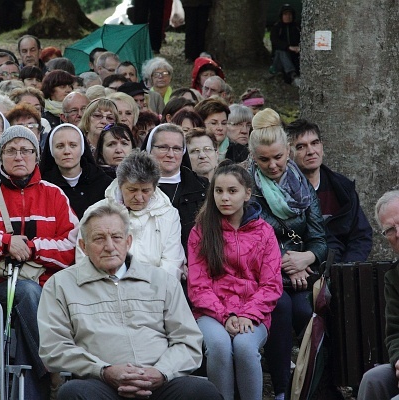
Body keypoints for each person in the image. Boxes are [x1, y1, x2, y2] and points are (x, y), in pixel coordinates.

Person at [38, 203, 222, 400]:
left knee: (203, 392)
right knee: (73, 393)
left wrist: (161, 372)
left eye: (116, 237)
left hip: (160, 383)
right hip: (100, 384)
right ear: (83, 246)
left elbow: (187, 341)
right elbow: (54, 348)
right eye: (99, 239)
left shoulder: (162, 281)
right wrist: (104, 370)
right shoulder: (61, 284)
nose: (109, 247)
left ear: (128, 242)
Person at [0, 125, 78, 400]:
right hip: (0, 287)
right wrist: (3, 243)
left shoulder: (55, 195)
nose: (19, 156)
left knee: (27, 310)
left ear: (36, 156)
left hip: (51, 288)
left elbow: (72, 247)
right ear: (1, 156)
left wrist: (33, 248)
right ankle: (54, 368)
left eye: (26, 150)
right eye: (11, 151)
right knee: (25, 293)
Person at [248, 108, 327, 400]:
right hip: (264, 273)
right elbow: (250, 239)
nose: (273, 165)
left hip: (303, 272)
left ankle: (314, 386)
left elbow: (319, 238)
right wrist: (287, 265)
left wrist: (306, 259)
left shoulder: (303, 186)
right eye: (264, 159)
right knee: (279, 308)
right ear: (253, 157)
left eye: (278, 157)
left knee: (308, 311)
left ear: (287, 151)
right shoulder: (247, 187)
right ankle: (281, 389)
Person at [188, 161, 282, 400]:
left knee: (244, 347)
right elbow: (198, 286)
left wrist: (246, 315)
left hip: (253, 313)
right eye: (218, 191)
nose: (224, 198)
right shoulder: (201, 230)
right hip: (211, 313)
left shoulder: (264, 232)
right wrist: (225, 316)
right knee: (218, 346)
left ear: (247, 193)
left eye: (232, 191)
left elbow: (271, 285)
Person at [79, 150, 185, 280]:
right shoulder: (95, 213)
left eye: (146, 190)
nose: (139, 197)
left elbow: (172, 263)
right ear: (120, 184)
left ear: (155, 187)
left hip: (156, 291)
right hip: (105, 290)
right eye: (132, 190)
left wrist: (152, 290)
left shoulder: (169, 214)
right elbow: (84, 260)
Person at [287, 118, 372, 262]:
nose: (311, 151)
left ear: (322, 146)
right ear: (288, 153)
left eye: (315, 143)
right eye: (301, 147)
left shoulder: (342, 188)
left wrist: (346, 270)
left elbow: (361, 236)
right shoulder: (281, 193)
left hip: (341, 269)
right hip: (301, 272)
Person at [357, 191, 399, 400]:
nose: (398, 233)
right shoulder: (394, 277)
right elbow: (395, 332)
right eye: (390, 230)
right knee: (374, 380)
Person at [145, 123, 209, 253]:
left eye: (177, 148)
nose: (170, 154)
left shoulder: (202, 187)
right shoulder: (134, 186)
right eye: (163, 147)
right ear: (149, 149)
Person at [39, 123, 112, 219]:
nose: (67, 151)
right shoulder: (42, 186)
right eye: (60, 146)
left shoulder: (103, 183)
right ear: (51, 151)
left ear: (82, 148)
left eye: (73, 145)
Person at [196, 97, 249, 163]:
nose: (220, 128)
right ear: (200, 123)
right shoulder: (190, 149)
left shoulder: (241, 152)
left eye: (224, 123)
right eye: (214, 123)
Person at [270, 4, 301, 85]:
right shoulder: (276, 28)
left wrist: (299, 48)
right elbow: (275, 41)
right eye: (285, 14)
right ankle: (293, 75)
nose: (288, 16)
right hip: (279, 60)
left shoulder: (297, 27)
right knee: (281, 52)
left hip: (295, 58)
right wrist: (288, 47)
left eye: (290, 14)